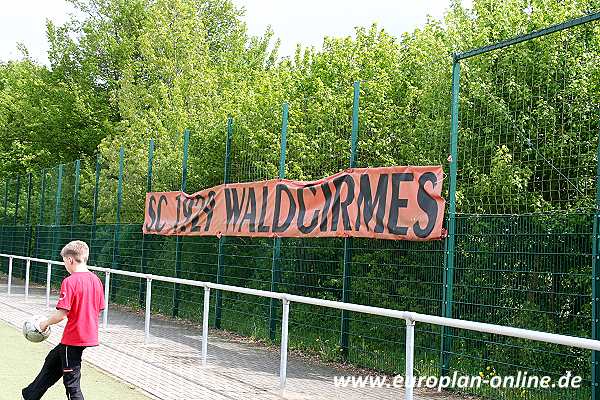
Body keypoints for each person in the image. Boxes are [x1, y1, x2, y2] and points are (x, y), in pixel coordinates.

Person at [22, 240, 105, 400]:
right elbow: (99, 309)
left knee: (72, 385)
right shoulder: (96, 280)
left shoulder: (70, 281)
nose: (64, 265)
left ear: (70, 260)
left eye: (64, 261)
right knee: (52, 362)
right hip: (86, 336)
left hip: (73, 339)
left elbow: (61, 314)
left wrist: (43, 324)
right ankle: (29, 395)